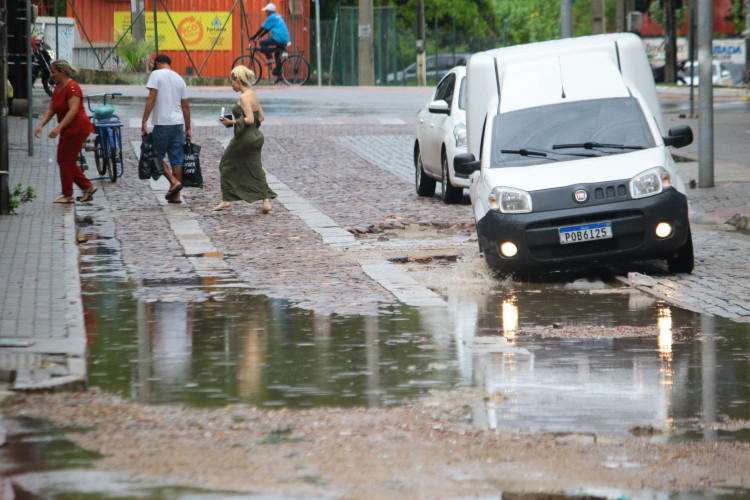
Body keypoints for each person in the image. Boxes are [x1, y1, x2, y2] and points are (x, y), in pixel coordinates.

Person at [213, 65, 276, 213]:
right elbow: (261, 117)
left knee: (226, 164)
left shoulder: (244, 97)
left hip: (245, 138)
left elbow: (248, 119)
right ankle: (266, 203)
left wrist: (231, 122)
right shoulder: (253, 94)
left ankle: (227, 200)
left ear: (238, 81)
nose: (231, 85)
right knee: (255, 168)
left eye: (231, 82)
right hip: (256, 137)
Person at [34, 59, 97, 204]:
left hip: (78, 128)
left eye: (54, 72)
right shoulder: (58, 88)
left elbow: (73, 110)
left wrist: (58, 127)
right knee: (63, 160)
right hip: (68, 128)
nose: (51, 75)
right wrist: (41, 125)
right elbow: (51, 109)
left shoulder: (73, 88)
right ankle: (87, 187)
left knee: (66, 161)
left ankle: (69, 194)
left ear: (62, 72)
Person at [141, 54, 191, 203]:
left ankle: (174, 183)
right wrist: (188, 128)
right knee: (177, 159)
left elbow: (152, 96)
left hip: (162, 124)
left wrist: (144, 120)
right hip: (177, 124)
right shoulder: (179, 79)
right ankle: (176, 195)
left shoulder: (156, 75)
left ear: (157, 63)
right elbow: (185, 105)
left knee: (155, 155)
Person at [251, 3, 290, 84]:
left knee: (262, 43)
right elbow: (266, 30)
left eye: (266, 11)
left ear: (269, 11)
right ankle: (279, 75)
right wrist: (258, 37)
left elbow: (262, 28)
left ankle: (269, 58)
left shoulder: (271, 17)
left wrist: (254, 37)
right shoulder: (277, 16)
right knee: (277, 53)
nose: (265, 12)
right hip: (285, 38)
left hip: (279, 37)